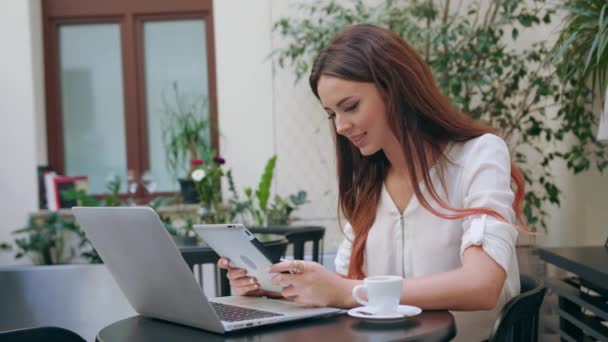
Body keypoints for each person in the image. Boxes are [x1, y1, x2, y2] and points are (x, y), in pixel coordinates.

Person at [218, 24, 525, 342]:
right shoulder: (370, 183)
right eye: (331, 114)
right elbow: (342, 288)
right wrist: (272, 289)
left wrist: (348, 292)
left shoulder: (479, 154)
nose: (340, 126)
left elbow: (482, 285)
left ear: (396, 89)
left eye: (350, 107)